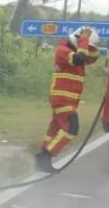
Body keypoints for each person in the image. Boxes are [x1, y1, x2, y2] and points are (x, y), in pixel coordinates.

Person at [35, 26, 100, 173]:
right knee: (71, 128)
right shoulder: (63, 50)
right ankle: (46, 156)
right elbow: (80, 58)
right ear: (78, 40)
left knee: (54, 128)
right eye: (84, 44)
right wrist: (85, 38)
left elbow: (92, 58)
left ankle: (43, 158)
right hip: (62, 99)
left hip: (65, 99)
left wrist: (91, 43)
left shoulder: (76, 50)